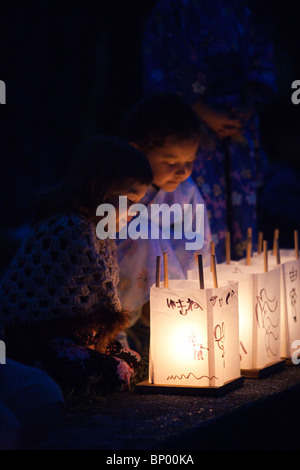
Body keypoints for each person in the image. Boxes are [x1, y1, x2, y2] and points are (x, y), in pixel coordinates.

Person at [0, 135, 153, 396]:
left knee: (132, 360)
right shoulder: (69, 229)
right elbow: (84, 304)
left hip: (80, 337)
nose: (134, 211)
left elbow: (100, 299)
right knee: (111, 371)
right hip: (39, 337)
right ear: (97, 189)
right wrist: (96, 345)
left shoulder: (99, 233)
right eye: (129, 201)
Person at [143, 0, 277, 262]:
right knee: (193, 202)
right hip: (190, 125)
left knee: (242, 212)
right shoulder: (172, 10)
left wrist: (248, 101)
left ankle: (238, 283)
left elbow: (261, 56)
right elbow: (163, 66)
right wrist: (203, 111)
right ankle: (198, 283)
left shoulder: (238, 9)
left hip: (238, 123)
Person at [117, 92, 211, 353]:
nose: (181, 171)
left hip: (168, 294)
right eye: (170, 162)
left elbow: (200, 236)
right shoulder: (119, 185)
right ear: (137, 151)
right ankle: (122, 329)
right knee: (144, 237)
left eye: (189, 162)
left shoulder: (187, 190)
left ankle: (174, 323)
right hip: (123, 289)